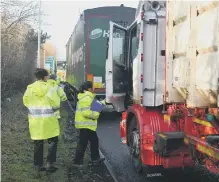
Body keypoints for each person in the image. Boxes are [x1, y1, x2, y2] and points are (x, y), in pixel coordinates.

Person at [23, 68, 60, 172]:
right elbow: (56, 104)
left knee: (38, 142)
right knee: (52, 141)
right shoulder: (50, 87)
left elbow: (25, 101)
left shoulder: (30, 88)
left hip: (35, 121)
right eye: (47, 76)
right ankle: (50, 164)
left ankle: (38, 165)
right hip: (49, 121)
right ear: (45, 77)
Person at [72, 81, 105, 167]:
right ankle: (77, 162)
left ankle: (95, 159)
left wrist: (103, 102)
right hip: (85, 125)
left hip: (87, 125)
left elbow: (94, 106)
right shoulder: (87, 98)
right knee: (83, 143)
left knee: (94, 141)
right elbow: (86, 113)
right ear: (89, 89)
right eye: (92, 87)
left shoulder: (88, 97)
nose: (93, 89)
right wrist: (96, 115)